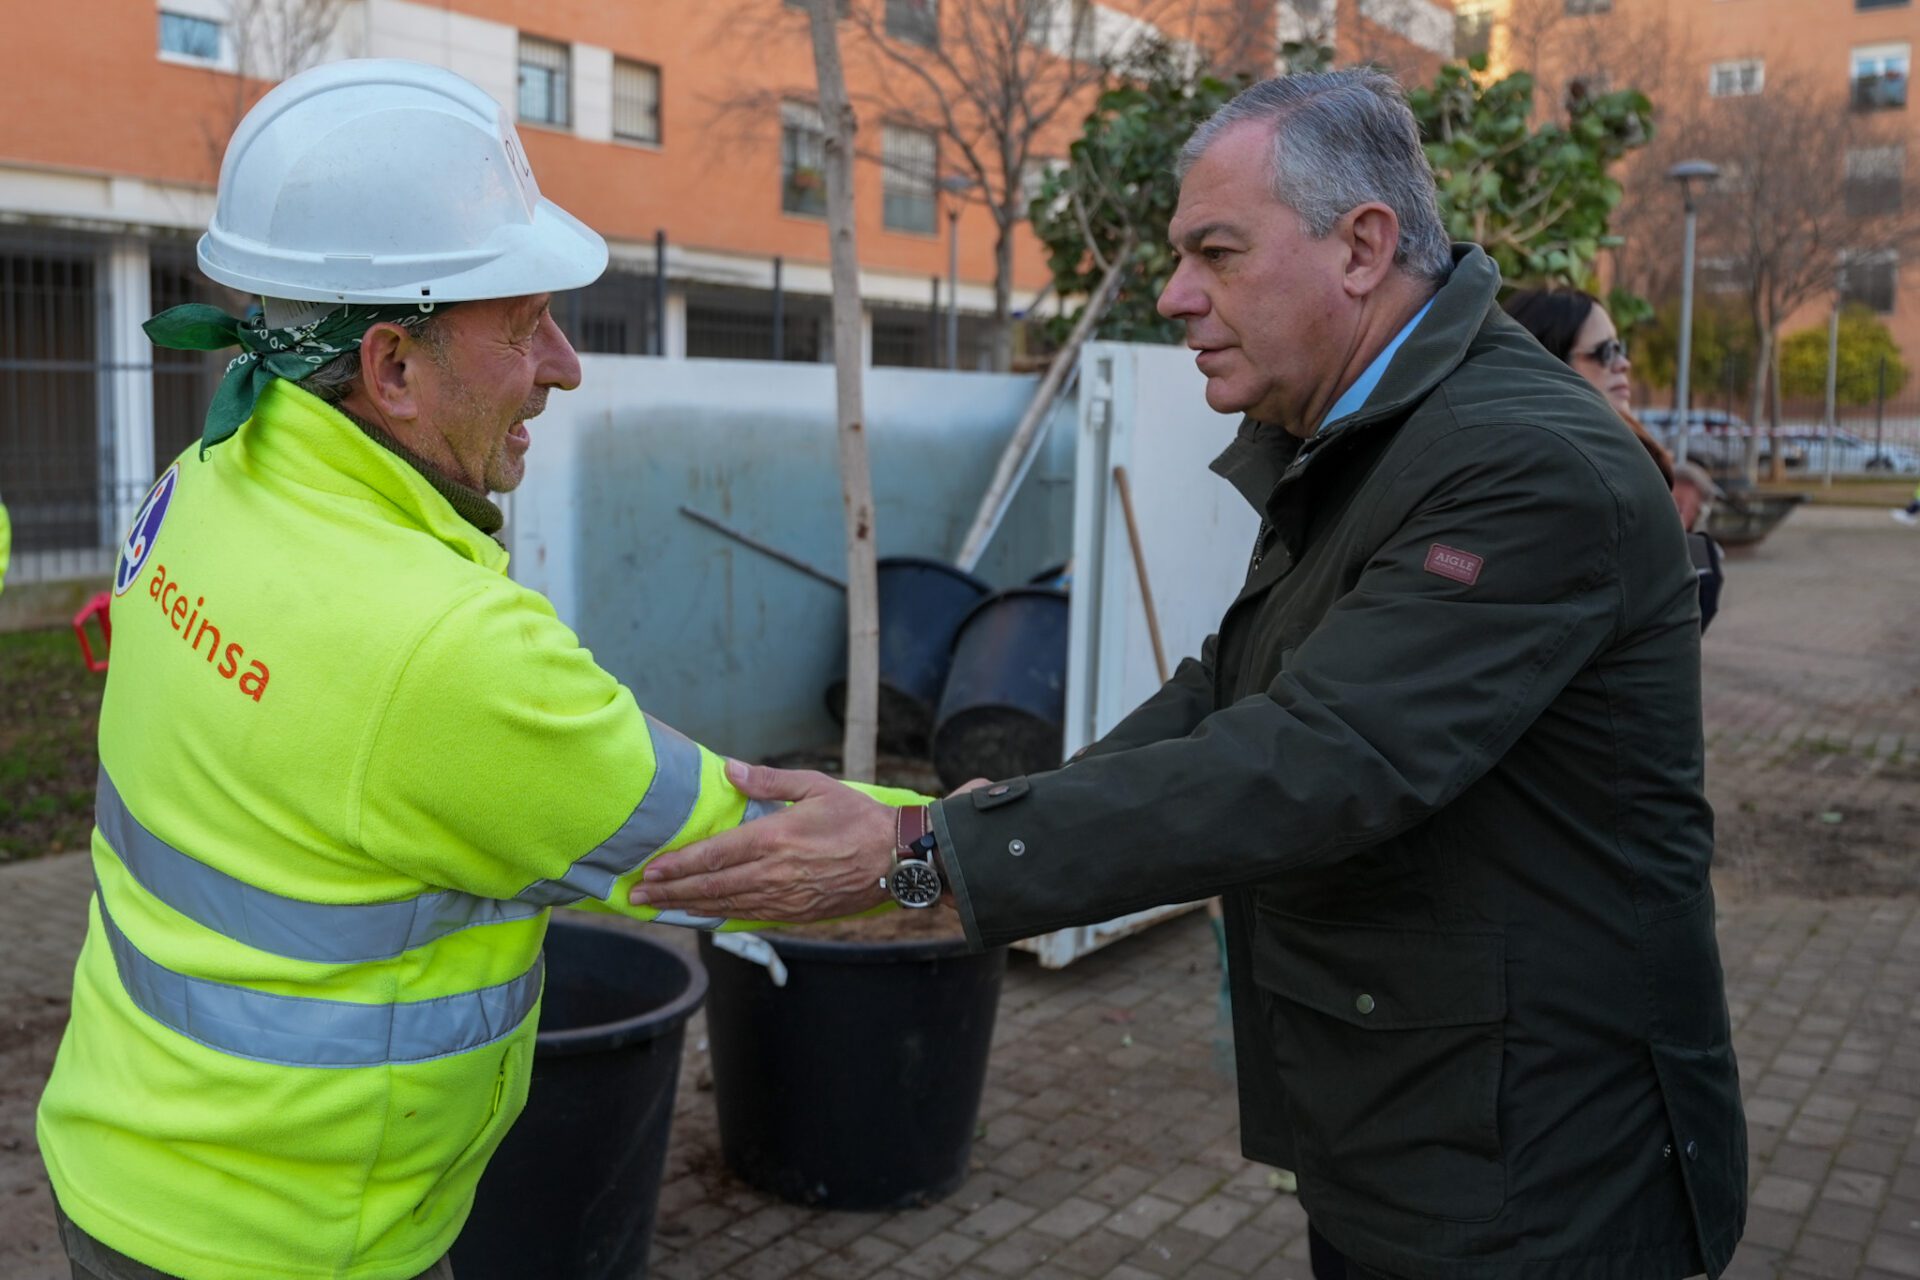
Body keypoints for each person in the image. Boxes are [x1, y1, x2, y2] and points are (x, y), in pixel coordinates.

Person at [633, 69, 1746, 1280]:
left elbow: (1315, 761)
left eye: (1216, 251)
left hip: (1538, 1167)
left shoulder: (1522, 462)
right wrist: (953, 826)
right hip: (1426, 1122)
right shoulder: (1368, 433)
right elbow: (1230, 687)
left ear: (1363, 246)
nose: (1174, 295)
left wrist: (922, 864)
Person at [34, 60, 923, 1280]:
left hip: (128, 1166)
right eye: (525, 326)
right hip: (294, 1239)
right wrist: (972, 842)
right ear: (391, 367)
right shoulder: (440, 648)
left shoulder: (208, 479)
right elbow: (757, 846)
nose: (565, 365)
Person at [1504, 287, 1726, 631]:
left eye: (1620, 349)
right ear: (1549, 360)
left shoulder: (1623, 454)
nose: (1624, 363)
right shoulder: (1565, 473)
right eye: (1605, 352)